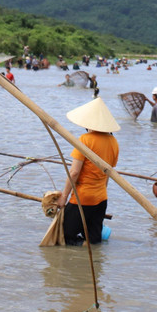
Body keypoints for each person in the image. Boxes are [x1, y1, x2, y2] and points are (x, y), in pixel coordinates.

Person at [56, 98, 120, 245]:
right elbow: (108, 174)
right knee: (93, 240)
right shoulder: (114, 142)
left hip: (82, 198)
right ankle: (93, 265)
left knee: (64, 236)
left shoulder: (85, 140)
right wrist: (100, 191)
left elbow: (74, 173)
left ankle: (73, 265)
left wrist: (63, 197)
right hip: (101, 199)